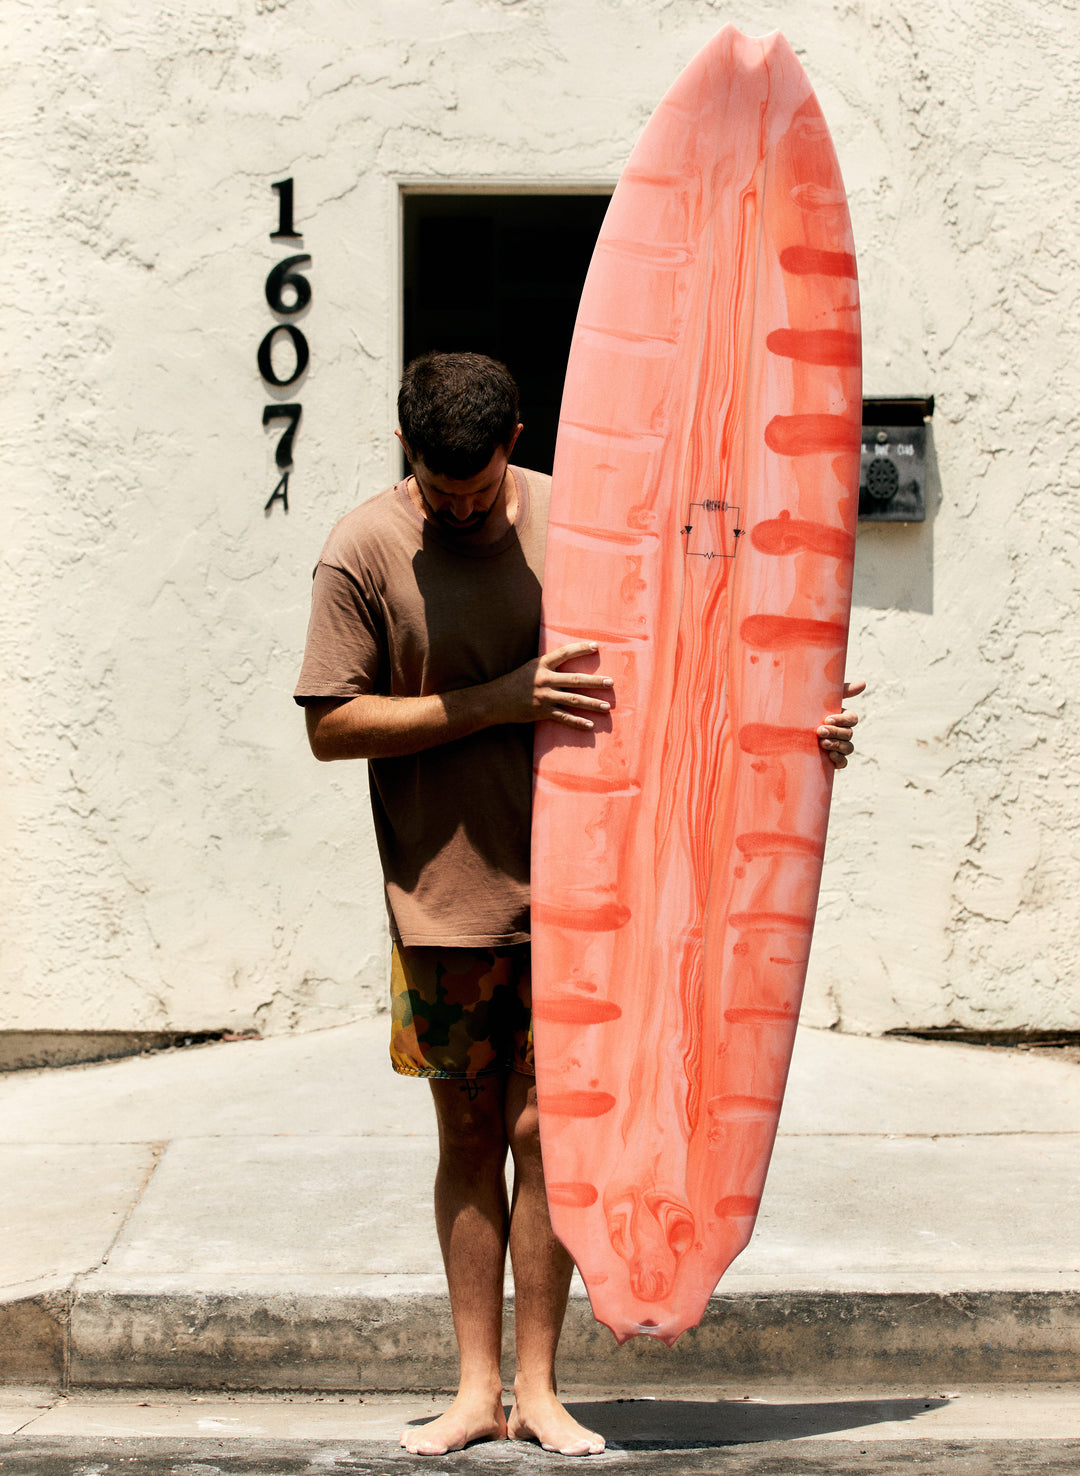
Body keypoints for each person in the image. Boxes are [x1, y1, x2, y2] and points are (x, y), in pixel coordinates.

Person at [294, 351, 862, 1458]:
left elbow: (689, 667)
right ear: (405, 449)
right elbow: (330, 725)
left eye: (482, 484)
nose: (460, 508)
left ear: (518, 435)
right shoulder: (364, 546)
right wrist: (495, 701)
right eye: (438, 489)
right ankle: (473, 1391)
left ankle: (543, 1390)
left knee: (548, 1137)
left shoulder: (591, 525)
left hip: (589, 896)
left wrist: (803, 730)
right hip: (447, 900)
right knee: (468, 1130)